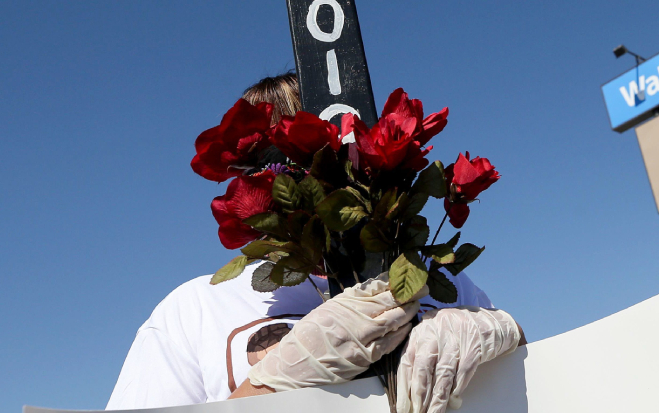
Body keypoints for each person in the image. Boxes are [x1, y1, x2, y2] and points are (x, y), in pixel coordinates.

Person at [107, 73, 523, 413]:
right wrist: (272, 385)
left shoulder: (430, 277)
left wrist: (504, 330)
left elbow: (532, 380)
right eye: (276, 160)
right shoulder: (196, 308)